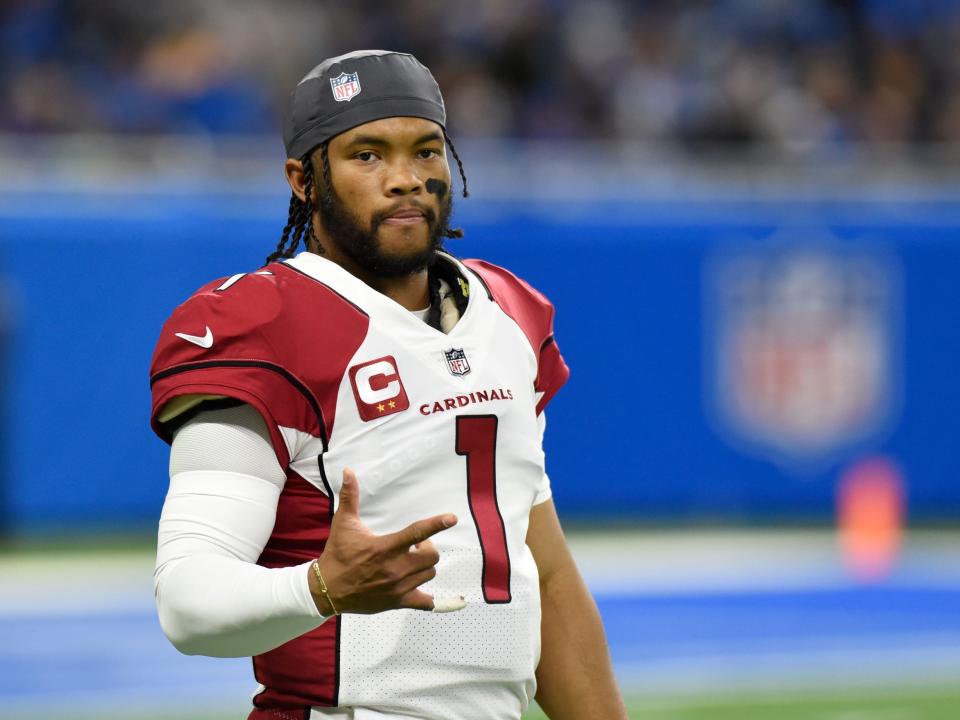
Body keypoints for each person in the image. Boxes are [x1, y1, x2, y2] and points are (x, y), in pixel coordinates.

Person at [149, 49, 626, 720]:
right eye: (366, 155)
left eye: (425, 151)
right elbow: (187, 603)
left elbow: (544, 576)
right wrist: (320, 587)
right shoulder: (263, 325)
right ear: (304, 180)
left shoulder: (506, 312)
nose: (404, 178)